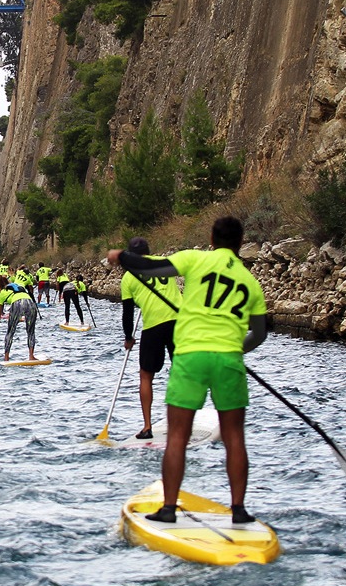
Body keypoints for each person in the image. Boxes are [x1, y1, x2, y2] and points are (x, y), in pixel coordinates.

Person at [108, 216, 267, 524]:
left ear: (211, 238)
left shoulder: (195, 259)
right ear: (239, 243)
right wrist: (235, 349)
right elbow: (258, 335)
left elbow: (150, 269)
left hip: (191, 356)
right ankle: (239, 509)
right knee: (234, 436)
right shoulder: (251, 283)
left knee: (178, 435)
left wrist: (120, 257)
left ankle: (168, 508)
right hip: (228, 360)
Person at [118, 237, 182, 440]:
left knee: (146, 376)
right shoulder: (163, 262)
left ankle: (147, 427)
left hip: (153, 326)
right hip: (178, 322)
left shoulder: (128, 278)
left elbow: (127, 314)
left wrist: (128, 338)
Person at [0, 276, 38, 362]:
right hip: (30, 302)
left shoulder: (1, 294)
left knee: (10, 331)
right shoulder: (16, 286)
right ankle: (31, 356)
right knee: (31, 331)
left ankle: (6, 357)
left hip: (17, 303)